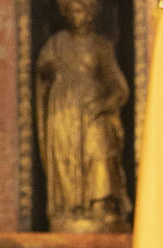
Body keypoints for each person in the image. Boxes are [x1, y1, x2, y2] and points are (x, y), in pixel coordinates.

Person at [35, 0, 131, 232]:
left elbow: (119, 87)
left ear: (90, 14)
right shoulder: (56, 43)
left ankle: (102, 203)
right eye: (71, 11)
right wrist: (49, 72)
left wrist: (103, 105)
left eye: (80, 11)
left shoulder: (101, 46)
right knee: (67, 156)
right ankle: (70, 206)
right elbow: (42, 73)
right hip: (63, 114)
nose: (75, 16)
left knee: (98, 150)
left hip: (92, 112)